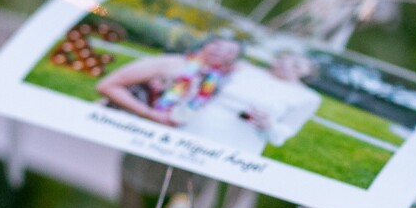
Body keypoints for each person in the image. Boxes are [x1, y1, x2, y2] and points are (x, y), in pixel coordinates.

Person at [185, 49, 323, 154]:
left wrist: (269, 125)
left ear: (305, 75)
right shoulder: (244, 70)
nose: (287, 65)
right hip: (204, 123)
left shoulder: (307, 97)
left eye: (296, 66)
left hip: (244, 139)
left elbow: (285, 131)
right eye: (287, 59)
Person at [93, 33, 242, 128]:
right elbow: (106, 86)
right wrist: (149, 113)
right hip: (113, 122)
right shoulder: (169, 63)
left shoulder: (214, 82)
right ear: (205, 44)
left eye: (230, 51)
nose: (221, 51)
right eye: (217, 45)